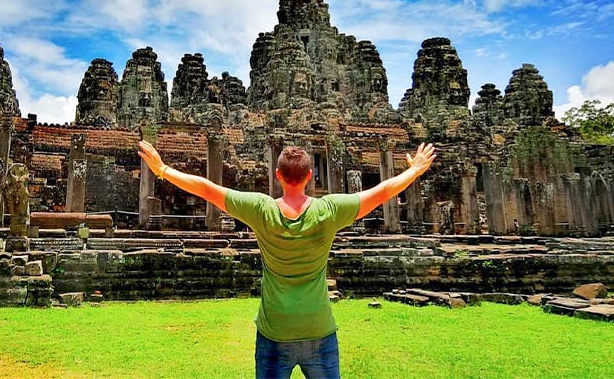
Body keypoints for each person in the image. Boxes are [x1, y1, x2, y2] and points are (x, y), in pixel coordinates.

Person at [138, 140, 436, 379]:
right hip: (319, 329)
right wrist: (415, 171)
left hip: (274, 331)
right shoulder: (329, 210)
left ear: (277, 175)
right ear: (310, 176)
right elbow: (382, 191)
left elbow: (207, 189)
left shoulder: (260, 208)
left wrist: (162, 168)